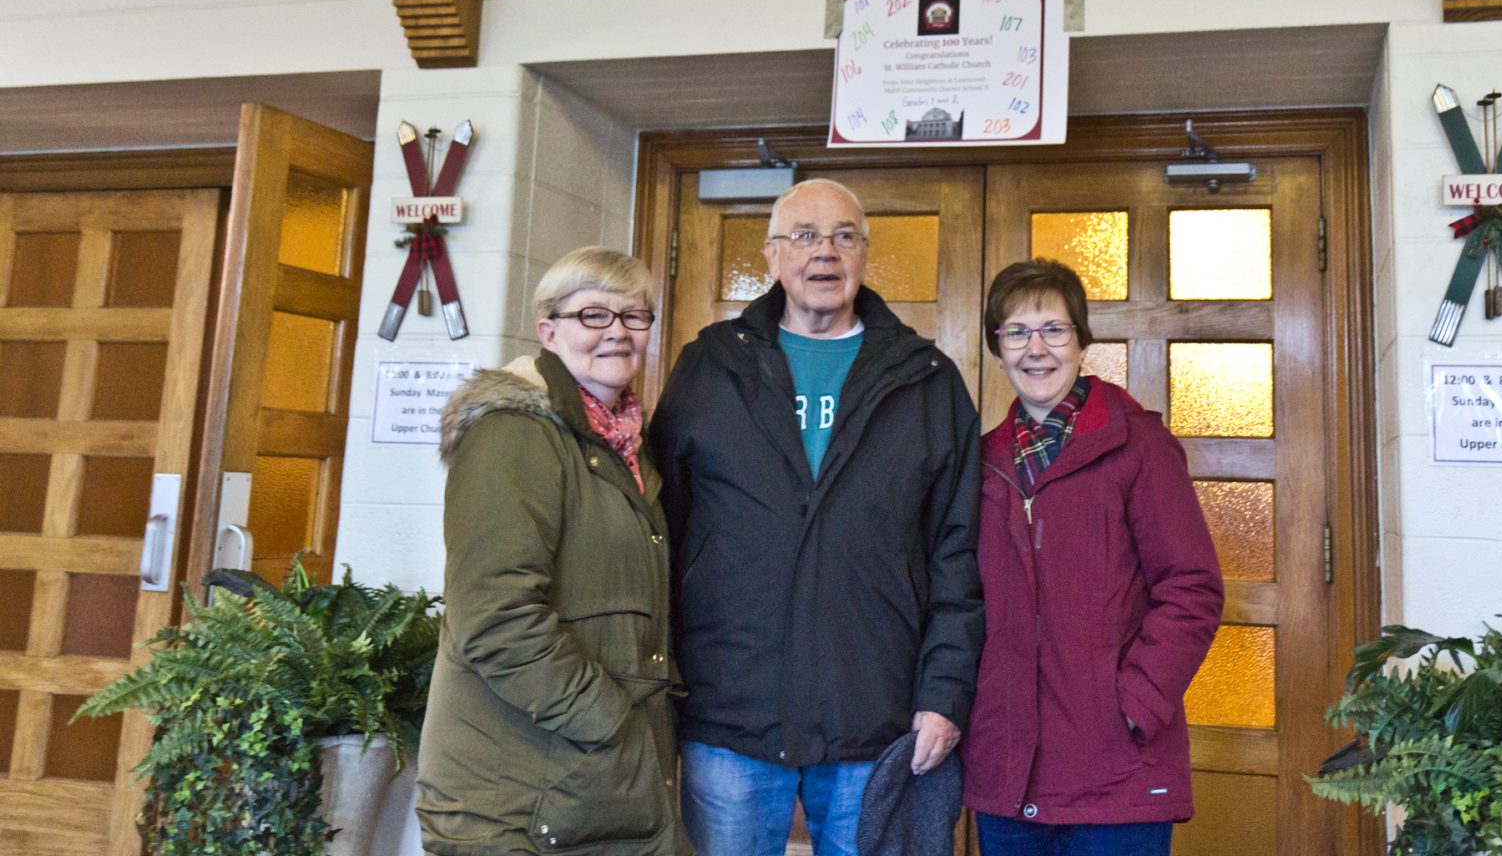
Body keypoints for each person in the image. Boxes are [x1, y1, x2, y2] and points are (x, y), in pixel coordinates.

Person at [650, 178, 983, 856]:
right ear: (772, 255)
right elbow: (662, 531)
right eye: (804, 235)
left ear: (864, 255)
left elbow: (958, 552)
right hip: (729, 714)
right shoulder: (710, 366)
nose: (823, 252)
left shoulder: (927, 379)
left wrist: (944, 693)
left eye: (843, 236)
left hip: (874, 715)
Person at [416, 247, 688, 856]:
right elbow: (495, 618)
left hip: (589, 788)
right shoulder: (513, 433)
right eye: (593, 315)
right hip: (519, 802)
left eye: (634, 315)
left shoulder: (622, 445)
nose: (617, 332)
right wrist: (609, 721)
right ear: (548, 330)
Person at [963, 258, 1224, 856]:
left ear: (1081, 340)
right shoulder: (982, 463)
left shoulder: (1140, 446)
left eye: (1054, 329)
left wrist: (1133, 706)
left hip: (1116, 775)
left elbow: (1191, 588)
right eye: (1016, 332)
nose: (1037, 349)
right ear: (997, 349)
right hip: (1008, 774)